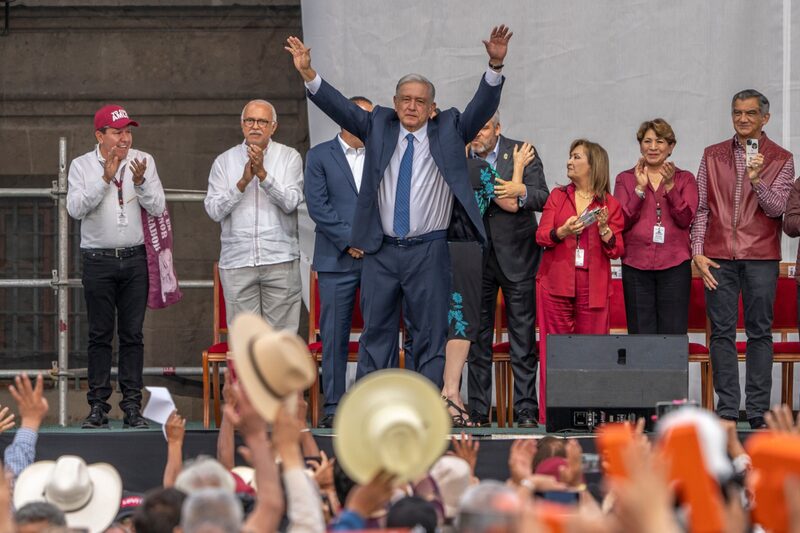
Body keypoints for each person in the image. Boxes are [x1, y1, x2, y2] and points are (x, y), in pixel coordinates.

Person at [284, 26, 512, 386]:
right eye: (405, 98)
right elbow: (340, 108)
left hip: (429, 251)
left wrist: (495, 66)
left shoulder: (450, 128)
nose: (411, 106)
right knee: (376, 335)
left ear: (431, 108)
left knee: (429, 335)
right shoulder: (378, 124)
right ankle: (375, 410)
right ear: (394, 101)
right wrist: (309, 74)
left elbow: (480, 107)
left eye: (420, 101)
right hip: (382, 251)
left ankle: (425, 411)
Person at [691, 89, 795, 429]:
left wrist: (757, 179)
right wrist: (698, 252)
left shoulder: (781, 157)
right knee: (720, 334)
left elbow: (778, 208)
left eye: (750, 113)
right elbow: (702, 208)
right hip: (718, 256)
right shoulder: (712, 155)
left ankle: (758, 412)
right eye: (737, 113)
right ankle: (727, 410)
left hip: (761, 256)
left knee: (759, 334)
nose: (743, 119)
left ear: (765, 118)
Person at [66, 104, 165, 429]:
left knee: (133, 335)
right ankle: (98, 406)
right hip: (98, 260)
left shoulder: (143, 160)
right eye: (117, 131)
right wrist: (105, 178)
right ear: (100, 135)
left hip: (134, 258)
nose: (125, 137)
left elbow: (158, 206)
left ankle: (133, 405)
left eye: (127, 131)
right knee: (98, 335)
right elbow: (75, 209)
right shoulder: (82, 165)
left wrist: (140, 183)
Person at [466, 112, 549, 429]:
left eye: (484, 128)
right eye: (473, 128)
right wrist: (509, 188)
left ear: (497, 128)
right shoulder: (461, 155)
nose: (477, 134)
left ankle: (526, 410)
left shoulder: (521, 152)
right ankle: (477, 411)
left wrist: (520, 190)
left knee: (522, 340)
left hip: (518, 257)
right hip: (474, 258)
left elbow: (541, 196)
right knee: (477, 338)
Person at [442, 145, 533, 427]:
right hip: (466, 251)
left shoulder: (431, 165)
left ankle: (444, 396)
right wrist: (518, 166)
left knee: (439, 326)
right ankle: (451, 394)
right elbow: (512, 202)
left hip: (430, 250)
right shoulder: (479, 169)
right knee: (461, 323)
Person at [535, 139, 624, 421]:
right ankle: (553, 414)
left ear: (592, 165)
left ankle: (590, 413)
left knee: (593, 352)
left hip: (593, 287)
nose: (569, 162)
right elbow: (541, 235)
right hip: (556, 283)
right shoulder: (558, 197)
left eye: (576, 157)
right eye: (569, 156)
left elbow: (617, 249)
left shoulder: (609, 204)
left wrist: (605, 229)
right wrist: (560, 231)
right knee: (555, 352)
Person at [204, 100, 304, 332]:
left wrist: (263, 176)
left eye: (262, 121)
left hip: (280, 259)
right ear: (242, 125)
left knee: (281, 343)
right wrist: (241, 184)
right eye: (250, 120)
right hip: (238, 262)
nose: (255, 126)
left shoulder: (289, 157)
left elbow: (291, 203)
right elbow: (213, 210)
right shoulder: (224, 161)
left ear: (273, 127)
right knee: (246, 344)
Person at [305, 97, 375, 428]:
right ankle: (333, 405)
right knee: (334, 336)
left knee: (377, 334)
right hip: (335, 260)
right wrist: (350, 241)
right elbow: (318, 206)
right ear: (345, 119)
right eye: (363, 117)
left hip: (378, 259)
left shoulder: (382, 152)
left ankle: (367, 404)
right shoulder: (319, 155)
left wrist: (367, 243)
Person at [613, 118, 698, 334]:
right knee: (641, 334)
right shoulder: (625, 179)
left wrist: (670, 187)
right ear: (640, 145)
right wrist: (640, 190)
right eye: (647, 141)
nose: (653, 147)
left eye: (660, 141)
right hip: (635, 265)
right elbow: (621, 221)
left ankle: (670, 370)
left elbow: (685, 219)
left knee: (673, 332)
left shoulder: (685, 179)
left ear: (671, 147)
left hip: (674, 265)